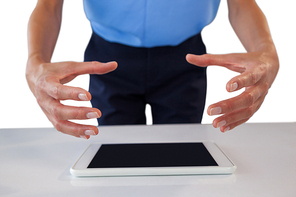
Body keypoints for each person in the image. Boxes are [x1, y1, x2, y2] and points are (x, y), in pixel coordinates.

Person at [26, 0, 279, 139]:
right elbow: (48, 5)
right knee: (115, 161)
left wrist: (266, 51)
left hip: (186, 59)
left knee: (181, 158)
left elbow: (241, 3)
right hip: (108, 62)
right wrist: (35, 62)